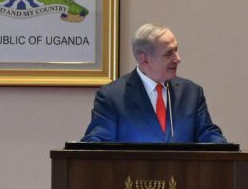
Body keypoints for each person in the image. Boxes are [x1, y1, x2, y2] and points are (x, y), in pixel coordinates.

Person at [81, 23, 228, 143]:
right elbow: (97, 142)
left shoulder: (191, 93)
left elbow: (207, 133)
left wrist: (223, 147)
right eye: (169, 53)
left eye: (176, 50)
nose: (178, 59)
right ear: (145, 59)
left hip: (183, 171)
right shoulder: (112, 96)